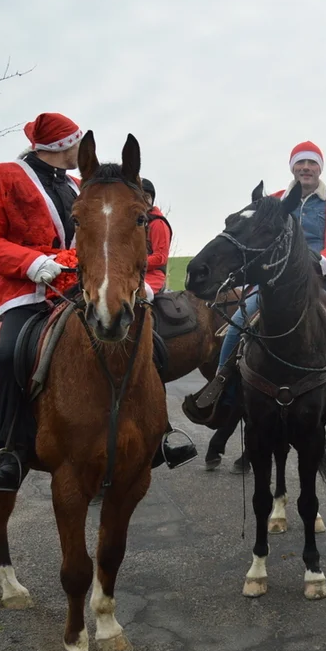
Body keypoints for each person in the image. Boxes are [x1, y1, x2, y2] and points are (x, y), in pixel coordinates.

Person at [201, 141, 326, 471]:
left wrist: (321, 263)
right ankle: (220, 390)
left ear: (320, 168)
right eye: (300, 163)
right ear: (292, 167)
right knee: (237, 327)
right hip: (277, 282)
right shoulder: (275, 201)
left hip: (325, 279)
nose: (306, 168)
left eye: (312, 164)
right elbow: (253, 234)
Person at [0, 112, 84, 491]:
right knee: (10, 354)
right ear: (62, 146)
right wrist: (31, 263)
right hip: (25, 291)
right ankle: (11, 449)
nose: (82, 147)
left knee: (144, 337)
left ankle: (156, 431)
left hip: (80, 288)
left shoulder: (79, 185)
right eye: (77, 140)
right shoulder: (3, 178)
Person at [139, 177, 197, 468]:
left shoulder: (157, 222)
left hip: (151, 278)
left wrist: (132, 259)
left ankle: (151, 356)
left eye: (143, 194)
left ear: (149, 198)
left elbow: (160, 256)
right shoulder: (132, 219)